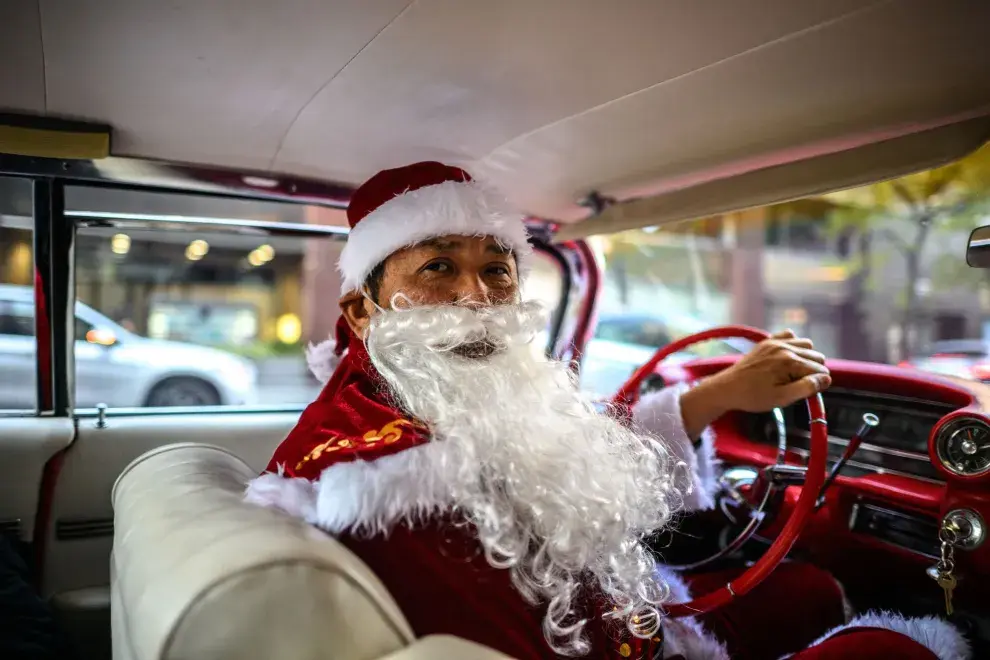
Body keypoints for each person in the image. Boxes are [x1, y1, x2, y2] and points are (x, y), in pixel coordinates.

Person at [246, 162, 969, 660]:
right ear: (362, 311)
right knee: (903, 648)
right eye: (439, 267)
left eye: (496, 268)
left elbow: (570, 451)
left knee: (808, 588)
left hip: (634, 622)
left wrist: (712, 398)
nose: (479, 298)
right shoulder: (385, 480)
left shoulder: (409, 404)